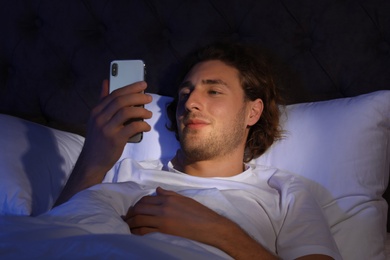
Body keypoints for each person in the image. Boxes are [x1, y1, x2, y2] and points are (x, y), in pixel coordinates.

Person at [54, 43, 341, 259]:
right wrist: (93, 159)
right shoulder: (124, 171)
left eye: (213, 91)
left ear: (252, 112)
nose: (191, 103)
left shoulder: (283, 192)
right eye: (184, 94)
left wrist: (219, 232)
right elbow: (52, 236)